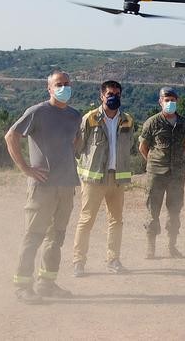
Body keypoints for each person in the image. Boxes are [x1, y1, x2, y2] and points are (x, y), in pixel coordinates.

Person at [5, 70, 81, 304]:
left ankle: (47, 283)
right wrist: (26, 169)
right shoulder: (37, 112)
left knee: (56, 236)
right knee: (34, 236)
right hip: (43, 186)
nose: (64, 88)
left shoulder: (74, 115)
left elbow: (75, 142)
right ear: (49, 88)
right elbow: (11, 136)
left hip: (66, 185)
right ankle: (22, 286)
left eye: (67, 84)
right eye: (59, 84)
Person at [72, 80, 135, 276]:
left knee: (116, 221)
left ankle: (113, 259)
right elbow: (78, 148)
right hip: (94, 179)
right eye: (109, 93)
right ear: (101, 95)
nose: (113, 96)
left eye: (117, 93)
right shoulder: (90, 119)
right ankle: (78, 262)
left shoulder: (128, 121)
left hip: (117, 178)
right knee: (86, 220)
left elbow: (129, 145)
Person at [138, 87, 185, 258]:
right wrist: (153, 162)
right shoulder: (152, 122)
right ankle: (150, 247)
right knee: (152, 211)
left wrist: (179, 160)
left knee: (175, 210)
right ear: (160, 101)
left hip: (176, 173)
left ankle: (172, 246)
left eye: (173, 100)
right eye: (166, 100)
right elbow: (143, 147)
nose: (170, 103)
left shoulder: (183, 123)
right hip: (156, 173)